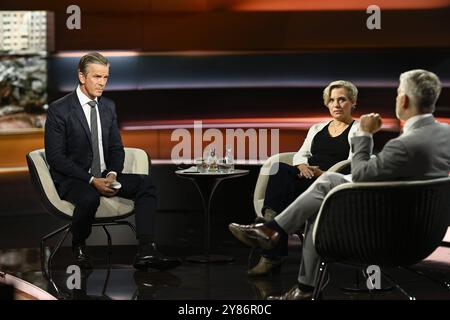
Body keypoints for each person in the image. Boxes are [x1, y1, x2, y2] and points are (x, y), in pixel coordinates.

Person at [229, 69, 450, 299]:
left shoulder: (403, 145)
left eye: (397, 93)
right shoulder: (446, 134)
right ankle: (294, 271)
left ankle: (274, 235)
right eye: (332, 100)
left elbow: (361, 173)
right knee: (326, 186)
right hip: (428, 230)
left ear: (403, 100)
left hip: (388, 232)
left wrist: (364, 134)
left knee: (325, 194)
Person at [45, 52, 181, 271]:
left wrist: (112, 174)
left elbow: (116, 149)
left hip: (104, 176)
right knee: (89, 198)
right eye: (97, 77)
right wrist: (91, 180)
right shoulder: (59, 109)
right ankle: (79, 245)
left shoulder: (108, 106)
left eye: (105, 77)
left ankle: (146, 250)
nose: (102, 83)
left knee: (146, 184)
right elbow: (56, 158)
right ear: (82, 77)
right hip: (75, 178)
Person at [249, 80, 359, 277]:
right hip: (306, 175)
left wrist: (321, 174)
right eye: (332, 100)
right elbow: (301, 154)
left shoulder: (358, 130)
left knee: (282, 186)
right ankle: (270, 229)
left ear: (352, 102)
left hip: (329, 183)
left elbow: (354, 165)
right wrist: (301, 166)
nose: (336, 104)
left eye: (342, 100)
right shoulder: (317, 128)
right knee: (278, 168)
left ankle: (270, 248)